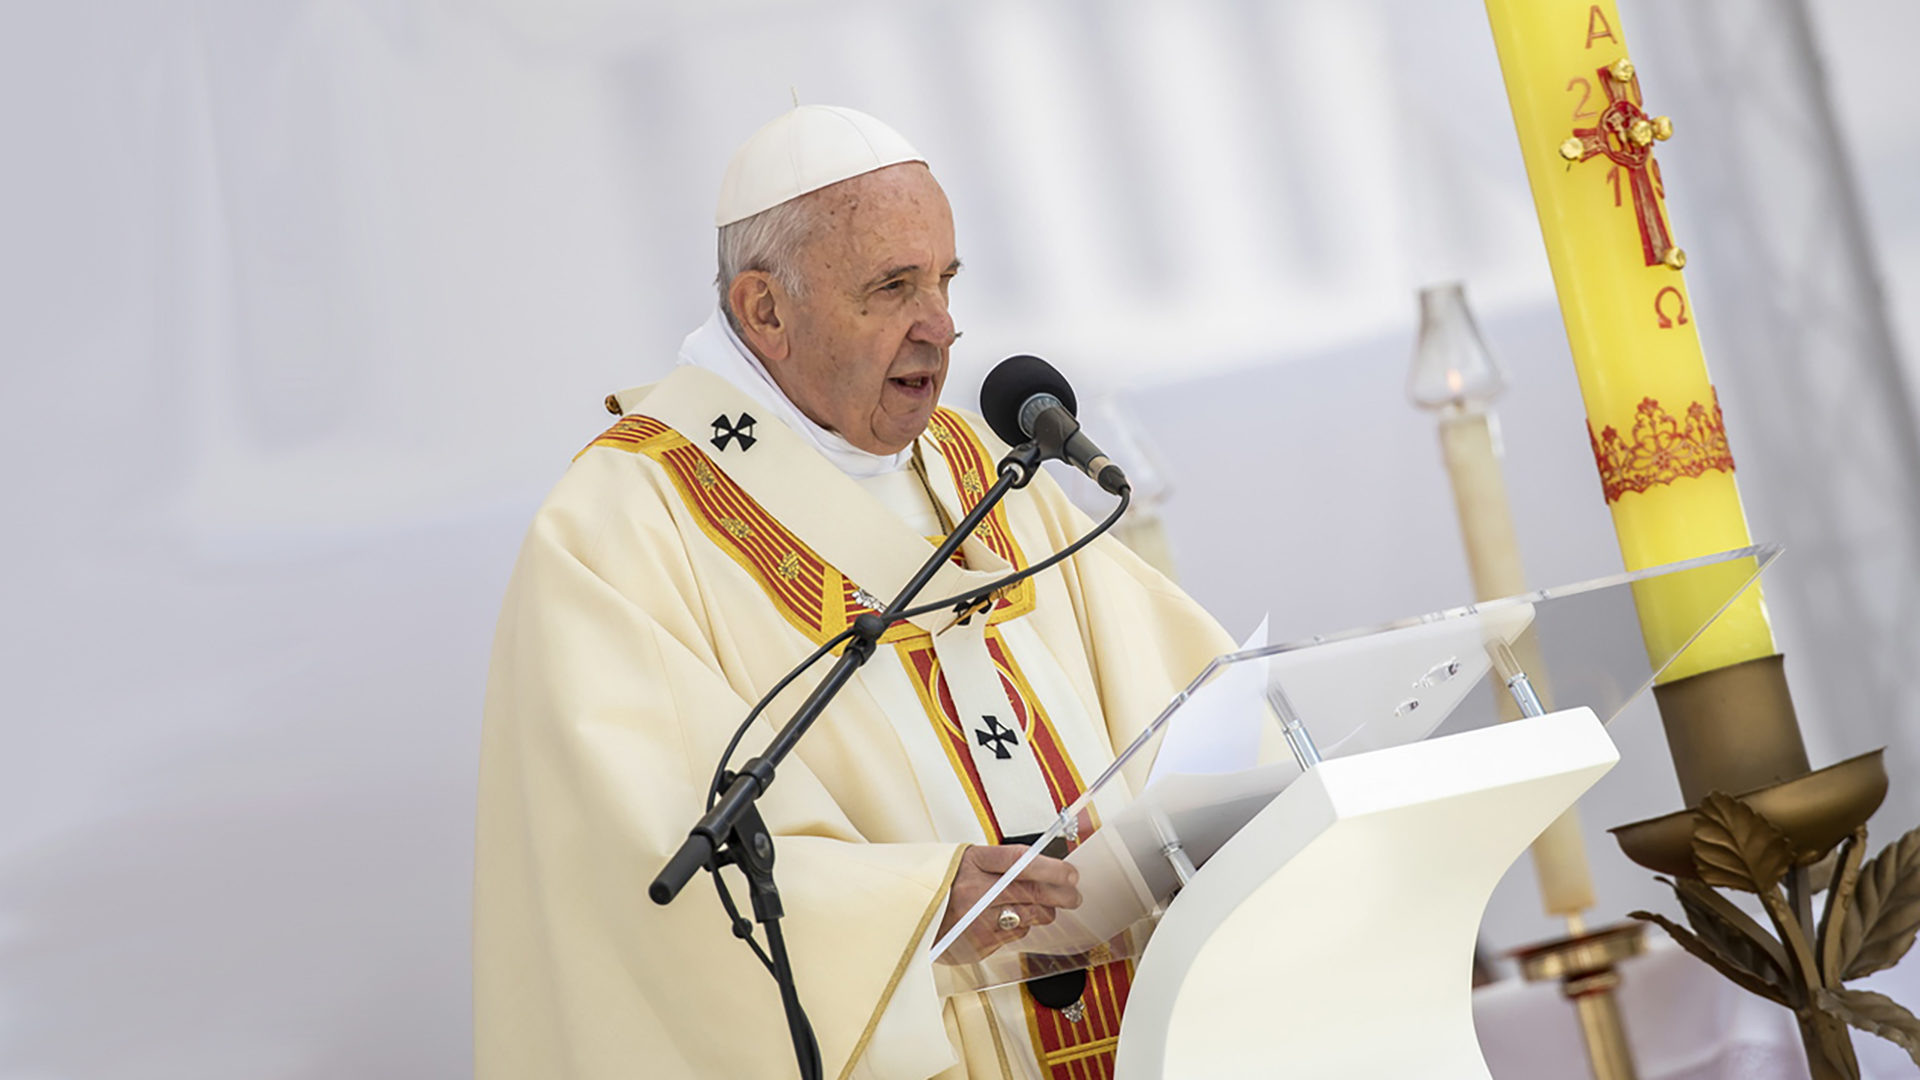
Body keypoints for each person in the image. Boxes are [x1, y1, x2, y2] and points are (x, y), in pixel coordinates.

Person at [475, 105, 1241, 1080]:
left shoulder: (974, 466)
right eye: (893, 288)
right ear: (765, 312)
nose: (944, 327)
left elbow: (1189, 708)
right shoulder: (623, 524)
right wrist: (915, 908)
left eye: (946, 281)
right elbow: (631, 873)